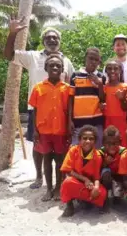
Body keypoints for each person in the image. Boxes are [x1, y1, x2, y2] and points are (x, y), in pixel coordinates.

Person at [4, 17, 74, 190]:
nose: (52, 40)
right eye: (48, 37)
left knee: (60, 147)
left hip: (60, 112)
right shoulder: (33, 56)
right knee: (38, 145)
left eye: (55, 37)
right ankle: (38, 177)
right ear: (43, 41)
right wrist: (12, 33)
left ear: (59, 42)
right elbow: (8, 55)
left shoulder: (67, 62)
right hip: (37, 109)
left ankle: (60, 178)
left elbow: (71, 87)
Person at [28, 54, 73, 201]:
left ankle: (59, 187)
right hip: (44, 131)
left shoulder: (67, 89)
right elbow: (34, 110)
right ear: (46, 68)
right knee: (47, 159)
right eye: (52, 65)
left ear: (62, 69)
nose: (55, 67)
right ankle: (48, 189)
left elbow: (69, 111)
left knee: (60, 160)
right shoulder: (38, 88)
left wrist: (69, 127)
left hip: (60, 130)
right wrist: (35, 130)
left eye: (58, 66)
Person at [60, 125, 107, 217]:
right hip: (75, 182)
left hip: (89, 185)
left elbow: (97, 177)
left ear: (95, 141)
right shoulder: (73, 150)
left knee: (102, 193)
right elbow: (68, 170)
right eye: (84, 138)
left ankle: (84, 200)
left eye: (91, 139)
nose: (88, 141)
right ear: (79, 140)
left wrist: (96, 187)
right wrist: (85, 179)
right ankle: (70, 206)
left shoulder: (97, 155)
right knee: (67, 182)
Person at [68, 48, 105, 148]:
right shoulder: (75, 76)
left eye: (96, 60)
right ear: (85, 58)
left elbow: (103, 99)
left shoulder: (101, 77)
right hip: (79, 122)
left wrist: (100, 84)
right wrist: (69, 120)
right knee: (76, 151)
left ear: (99, 62)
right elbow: (70, 99)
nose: (93, 62)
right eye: (90, 58)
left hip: (96, 122)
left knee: (97, 151)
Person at [99, 126, 127, 207]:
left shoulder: (124, 152)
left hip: (119, 176)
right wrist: (105, 163)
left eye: (115, 143)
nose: (111, 146)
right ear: (103, 143)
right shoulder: (100, 153)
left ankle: (117, 196)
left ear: (120, 142)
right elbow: (96, 170)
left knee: (118, 196)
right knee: (105, 172)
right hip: (105, 178)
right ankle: (105, 197)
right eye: (108, 143)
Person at [103, 60, 127, 147]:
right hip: (107, 121)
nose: (112, 71)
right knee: (109, 145)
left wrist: (121, 99)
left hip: (121, 121)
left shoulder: (125, 87)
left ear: (120, 71)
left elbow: (126, 108)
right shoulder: (104, 87)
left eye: (116, 68)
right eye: (109, 69)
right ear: (106, 71)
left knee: (122, 145)